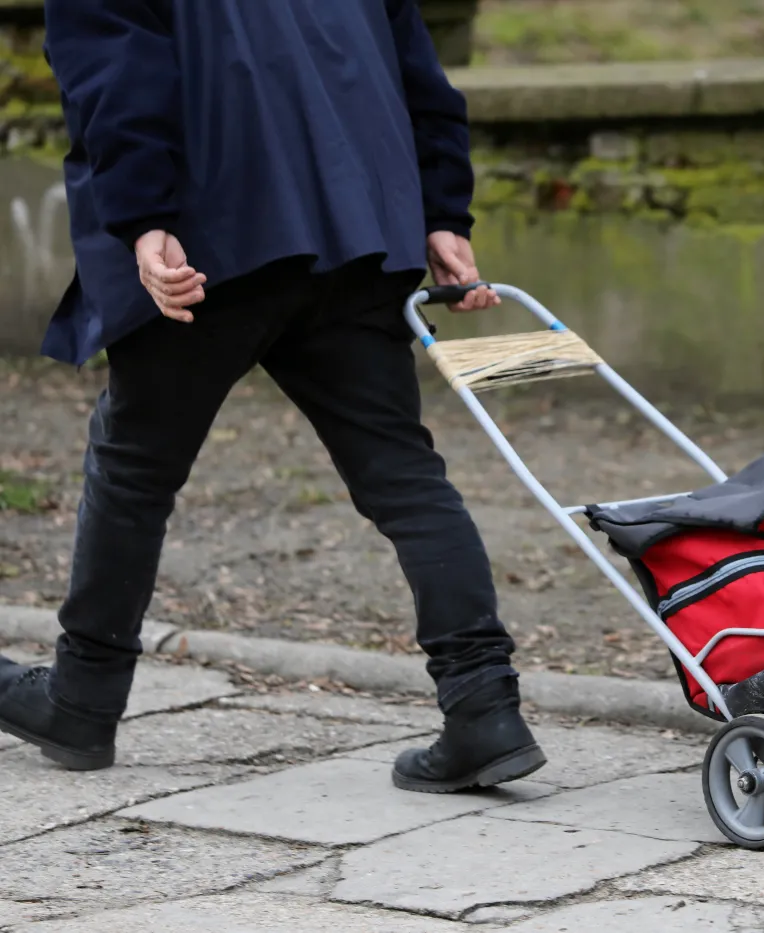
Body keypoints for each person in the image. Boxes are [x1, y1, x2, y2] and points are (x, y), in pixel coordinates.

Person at [0, 0, 547, 794]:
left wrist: (144, 218)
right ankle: (484, 708)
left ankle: (83, 697)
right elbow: (416, 70)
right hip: (356, 226)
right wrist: (440, 210)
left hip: (211, 236)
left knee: (134, 470)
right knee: (402, 472)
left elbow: (117, 72)